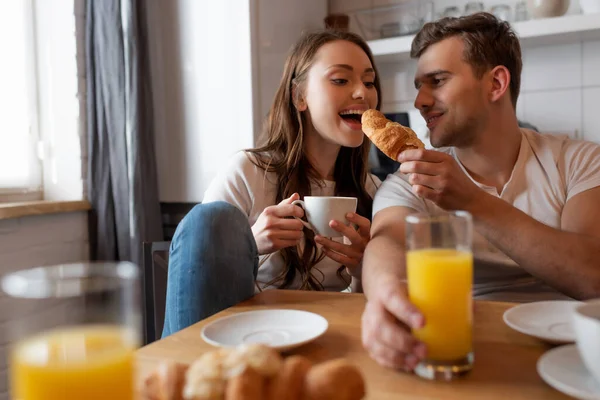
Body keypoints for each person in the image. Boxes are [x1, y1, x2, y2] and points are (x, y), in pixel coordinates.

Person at [361, 12, 600, 371]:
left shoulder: (580, 161)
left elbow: (592, 276)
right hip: (462, 347)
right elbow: (387, 242)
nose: (419, 102)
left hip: (574, 353)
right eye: (418, 87)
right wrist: (384, 295)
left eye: (437, 81)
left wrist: (471, 201)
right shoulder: (412, 181)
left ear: (496, 83)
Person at [162, 30, 381, 337]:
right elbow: (202, 273)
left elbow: (364, 309)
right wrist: (250, 244)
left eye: (369, 82)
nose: (362, 93)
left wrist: (363, 270)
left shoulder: (372, 190)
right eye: (341, 80)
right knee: (210, 220)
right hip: (248, 337)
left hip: (331, 338)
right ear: (299, 96)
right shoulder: (247, 173)